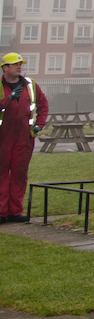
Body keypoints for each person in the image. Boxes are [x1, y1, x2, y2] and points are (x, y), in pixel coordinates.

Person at [1, 53, 48, 223]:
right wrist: (8, 100)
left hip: (23, 138)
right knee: (1, 175)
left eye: (20, 64)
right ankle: (1, 212)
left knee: (19, 174)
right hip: (2, 138)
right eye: (15, 64)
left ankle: (15, 211)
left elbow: (43, 104)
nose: (19, 67)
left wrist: (39, 124)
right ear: (5, 68)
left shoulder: (30, 85)